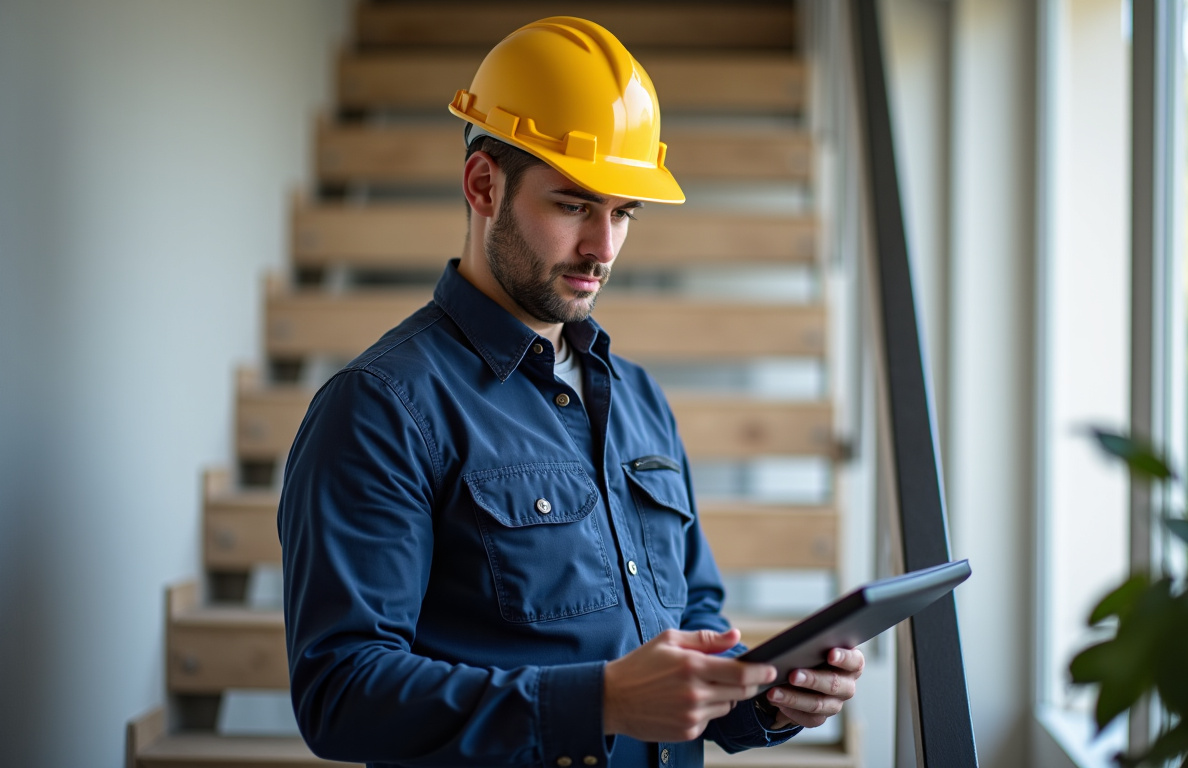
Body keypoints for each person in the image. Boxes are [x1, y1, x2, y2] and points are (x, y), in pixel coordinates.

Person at [278, 16, 863, 768]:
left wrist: (764, 695)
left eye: (622, 212)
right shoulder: (381, 408)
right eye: (574, 205)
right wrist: (601, 703)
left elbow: (692, 616)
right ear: (483, 184)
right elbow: (341, 694)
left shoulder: (639, 397)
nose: (604, 247)